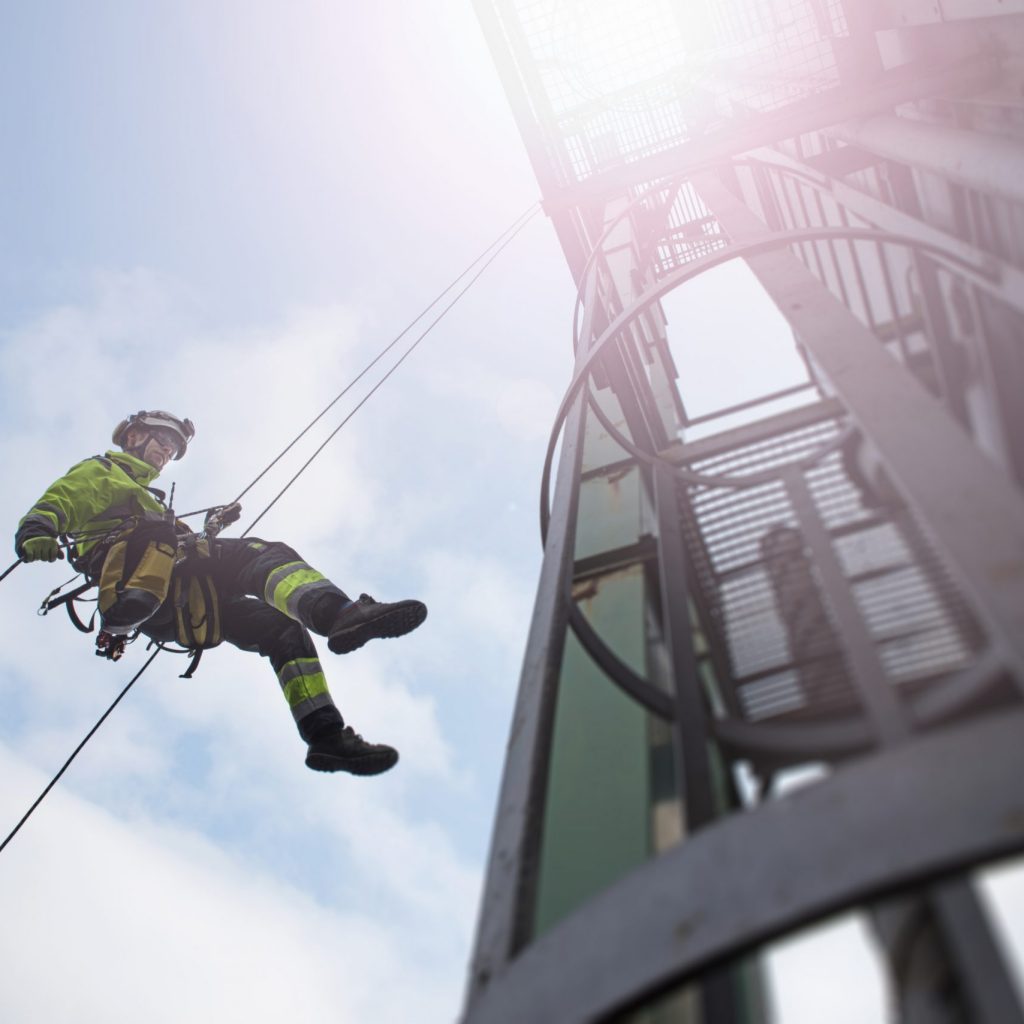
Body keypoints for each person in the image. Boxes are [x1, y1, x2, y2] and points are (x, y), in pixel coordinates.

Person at [14, 409, 426, 777]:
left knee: (281, 630)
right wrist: (37, 530)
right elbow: (63, 499)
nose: (167, 452)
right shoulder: (106, 472)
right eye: (163, 440)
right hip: (146, 579)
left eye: (174, 449)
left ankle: (326, 736)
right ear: (135, 437)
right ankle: (339, 615)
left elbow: (175, 549)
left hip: (170, 598)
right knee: (262, 556)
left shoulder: (148, 499)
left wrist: (211, 530)